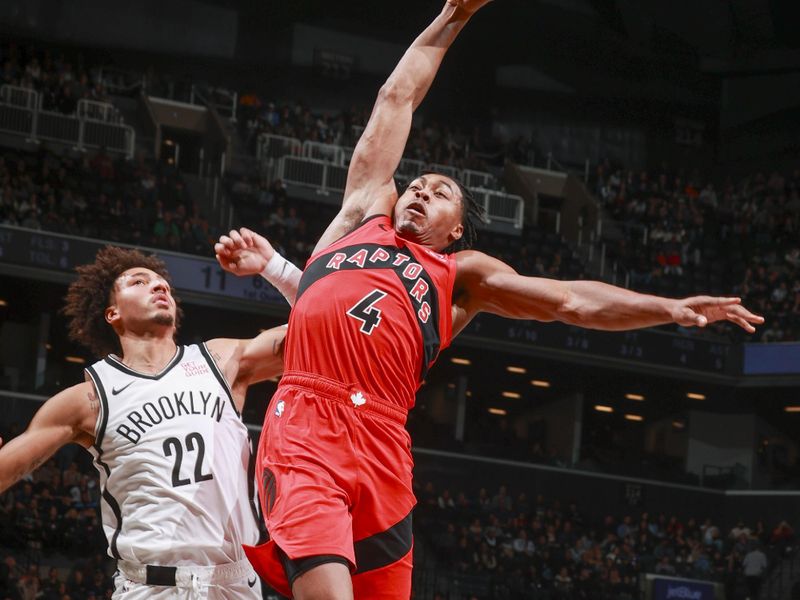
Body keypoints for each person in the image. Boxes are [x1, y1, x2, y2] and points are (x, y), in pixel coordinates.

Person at [215, 2, 764, 599]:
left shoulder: (458, 275)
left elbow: (570, 301)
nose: (421, 191)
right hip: (308, 423)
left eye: (441, 191)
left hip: (384, 445)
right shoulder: (359, 218)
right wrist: (452, 14)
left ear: (457, 228)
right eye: (417, 185)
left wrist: (665, 306)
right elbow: (396, 98)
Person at [0, 246, 287, 599]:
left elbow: (324, 326)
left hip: (236, 581)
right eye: (140, 281)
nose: (159, 287)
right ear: (112, 313)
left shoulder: (221, 360)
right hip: (151, 587)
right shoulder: (88, 399)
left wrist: (275, 268)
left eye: (163, 283)